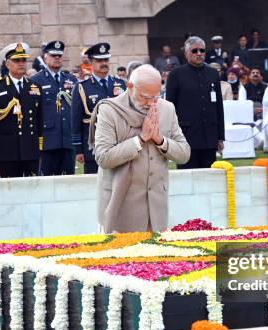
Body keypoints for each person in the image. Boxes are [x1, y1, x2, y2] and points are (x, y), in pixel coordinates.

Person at [90, 64, 190, 232]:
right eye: (145, 97)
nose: (151, 104)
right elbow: (103, 158)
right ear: (130, 87)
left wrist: (159, 140)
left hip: (157, 210)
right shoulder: (109, 110)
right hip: (120, 208)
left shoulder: (167, 108)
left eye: (155, 97)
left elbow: (184, 154)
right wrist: (141, 139)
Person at [0, 42, 43, 178]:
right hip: (7, 151)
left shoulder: (35, 87)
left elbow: (40, 119)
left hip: (30, 149)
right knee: (10, 192)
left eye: (23, 60)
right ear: (7, 64)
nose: (21, 63)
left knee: (32, 190)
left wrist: (39, 147)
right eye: (17, 60)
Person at [166, 36, 224, 169]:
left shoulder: (213, 74)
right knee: (188, 180)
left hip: (209, 136)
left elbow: (218, 106)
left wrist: (220, 136)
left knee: (210, 179)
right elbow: (169, 107)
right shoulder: (176, 74)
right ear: (186, 53)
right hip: (186, 136)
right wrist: (171, 136)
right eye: (194, 51)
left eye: (202, 50)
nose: (199, 54)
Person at [71, 42, 127, 174]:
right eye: (99, 60)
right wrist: (78, 149)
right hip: (93, 146)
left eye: (106, 59)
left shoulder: (119, 84)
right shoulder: (82, 87)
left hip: (118, 144)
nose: (104, 63)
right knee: (95, 185)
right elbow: (75, 120)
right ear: (90, 62)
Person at [31, 40, 78, 176]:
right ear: (45, 57)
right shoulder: (36, 80)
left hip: (68, 139)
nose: (57, 58)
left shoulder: (71, 79)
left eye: (59, 56)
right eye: (53, 55)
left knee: (68, 181)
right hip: (47, 141)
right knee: (46, 182)